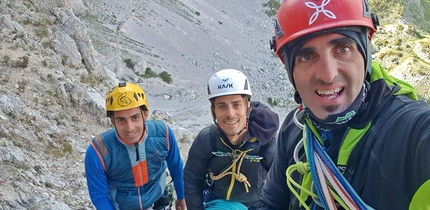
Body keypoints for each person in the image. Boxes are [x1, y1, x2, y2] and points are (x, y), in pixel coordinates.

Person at [259, 0, 430, 209]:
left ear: (365, 53)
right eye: (306, 56)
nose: (328, 74)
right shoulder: (295, 129)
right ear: (290, 70)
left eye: (343, 48)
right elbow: (270, 204)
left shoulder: (411, 131)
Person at [184, 69, 280, 210]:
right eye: (222, 106)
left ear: (248, 107)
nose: (230, 114)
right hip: (216, 202)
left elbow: (280, 185)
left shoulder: (266, 142)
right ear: (213, 111)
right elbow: (192, 180)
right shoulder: (207, 139)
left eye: (236, 105)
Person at [84, 82, 186, 210]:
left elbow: (176, 166)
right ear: (112, 121)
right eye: (121, 120)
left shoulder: (163, 133)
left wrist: (182, 197)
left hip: (158, 199)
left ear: (145, 114)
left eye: (135, 117)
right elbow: (99, 197)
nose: (130, 128)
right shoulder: (98, 151)